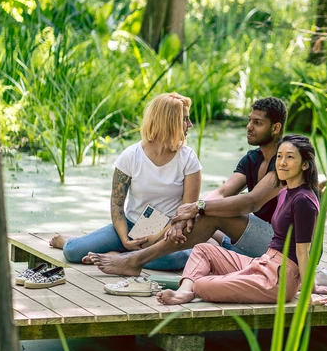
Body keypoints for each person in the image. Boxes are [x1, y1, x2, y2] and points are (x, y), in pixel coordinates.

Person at [84, 97, 288, 275]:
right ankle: (133, 253)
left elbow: (251, 202)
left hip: (283, 246)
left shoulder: (285, 159)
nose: (249, 127)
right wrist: (188, 214)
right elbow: (222, 191)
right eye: (249, 121)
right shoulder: (253, 158)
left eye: (257, 123)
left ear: (276, 128)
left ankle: (134, 260)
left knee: (210, 213)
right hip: (247, 239)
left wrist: (196, 208)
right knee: (207, 212)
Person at [156, 134, 326, 305]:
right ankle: (185, 292)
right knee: (203, 250)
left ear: (305, 164)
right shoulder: (285, 192)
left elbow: (304, 252)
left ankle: (198, 287)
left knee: (200, 284)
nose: (282, 162)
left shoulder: (304, 201)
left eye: (290, 157)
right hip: (263, 262)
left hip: (279, 280)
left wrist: (309, 294)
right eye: (279, 156)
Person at [49, 93, 201, 270]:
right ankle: (71, 242)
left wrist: (155, 238)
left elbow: (186, 212)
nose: (190, 124)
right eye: (185, 119)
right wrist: (124, 238)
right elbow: (117, 205)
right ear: (169, 121)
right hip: (130, 226)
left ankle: (118, 257)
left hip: (168, 233)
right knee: (73, 252)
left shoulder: (188, 159)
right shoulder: (130, 156)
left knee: (178, 259)